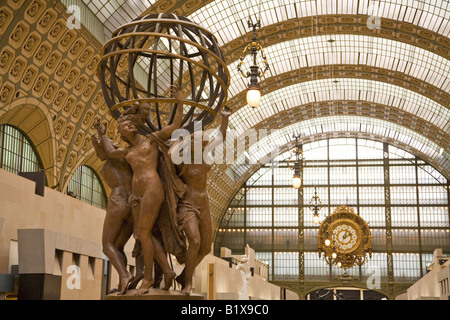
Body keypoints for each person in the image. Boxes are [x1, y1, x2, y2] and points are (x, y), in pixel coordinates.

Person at [100, 85, 185, 295]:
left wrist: (180, 102)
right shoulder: (127, 151)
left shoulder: (151, 140)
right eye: (124, 125)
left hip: (152, 189)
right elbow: (110, 153)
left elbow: (175, 125)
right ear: (122, 132)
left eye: (130, 123)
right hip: (135, 196)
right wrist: (102, 135)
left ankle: (148, 279)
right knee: (142, 235)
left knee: (145, 233)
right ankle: (166, 270)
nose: (128, 126)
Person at [169, 106, 231, 295]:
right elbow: (170, 153)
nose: (204, 142)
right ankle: (187, 283)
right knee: (194, 242)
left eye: (203, 140)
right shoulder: (183, 158)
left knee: (205, 247)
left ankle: (183, 275)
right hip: (187, 205)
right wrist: (182, 139)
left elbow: (220, 137)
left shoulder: (204, 153)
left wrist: (225, 118)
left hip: (204, 204)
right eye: (199, 139)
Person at [91, 121, 134, 295]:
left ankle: (124, 276)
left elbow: (106, 152)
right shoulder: (127, 159)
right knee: (118, 246)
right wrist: (98, 141)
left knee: (107, 245)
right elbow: (103, 153)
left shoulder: (118, 157)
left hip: (118, 201)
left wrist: (102, 134)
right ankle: (124, 281)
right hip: (132, 204)